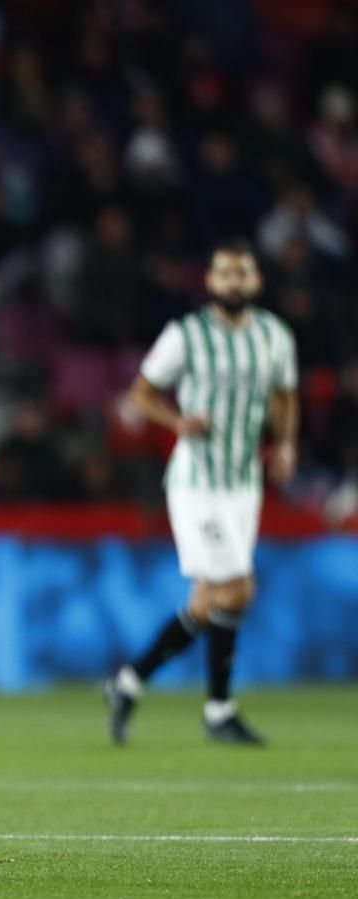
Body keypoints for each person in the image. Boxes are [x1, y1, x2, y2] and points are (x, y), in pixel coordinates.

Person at [103, 239, 298, 746]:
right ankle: (217, 710)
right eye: (225, 273)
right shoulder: (185, 335)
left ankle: (129, 683)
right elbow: (141, 394)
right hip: (197, 482)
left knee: (208, 600)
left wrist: (285, 444)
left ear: (256, 280)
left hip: (243, 484)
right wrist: (177, 421)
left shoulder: (275, 336)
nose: (234, 281)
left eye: (242, 273)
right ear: (210, 280)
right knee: (238, 589)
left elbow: (284, 395)